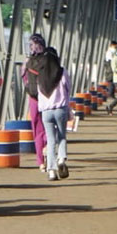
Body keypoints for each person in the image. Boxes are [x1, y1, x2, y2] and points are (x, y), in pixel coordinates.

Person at [35, 46, 71, 181]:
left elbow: (38, 94)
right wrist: (68, 107)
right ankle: (61, 159)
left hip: (46, 112)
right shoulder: (62, 72)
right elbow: (68, 89)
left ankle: (51, 170)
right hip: (60, 109)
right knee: (62, 135)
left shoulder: (40, 75)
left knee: (50, 140)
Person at [21, 33, 50, 172]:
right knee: (49, 127)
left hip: (33, 99)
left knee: (37, 130)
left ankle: (40, 162)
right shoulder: (48, 60)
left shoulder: (27, 62)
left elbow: (24, 79)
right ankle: (48, 148)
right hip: (47, 98)